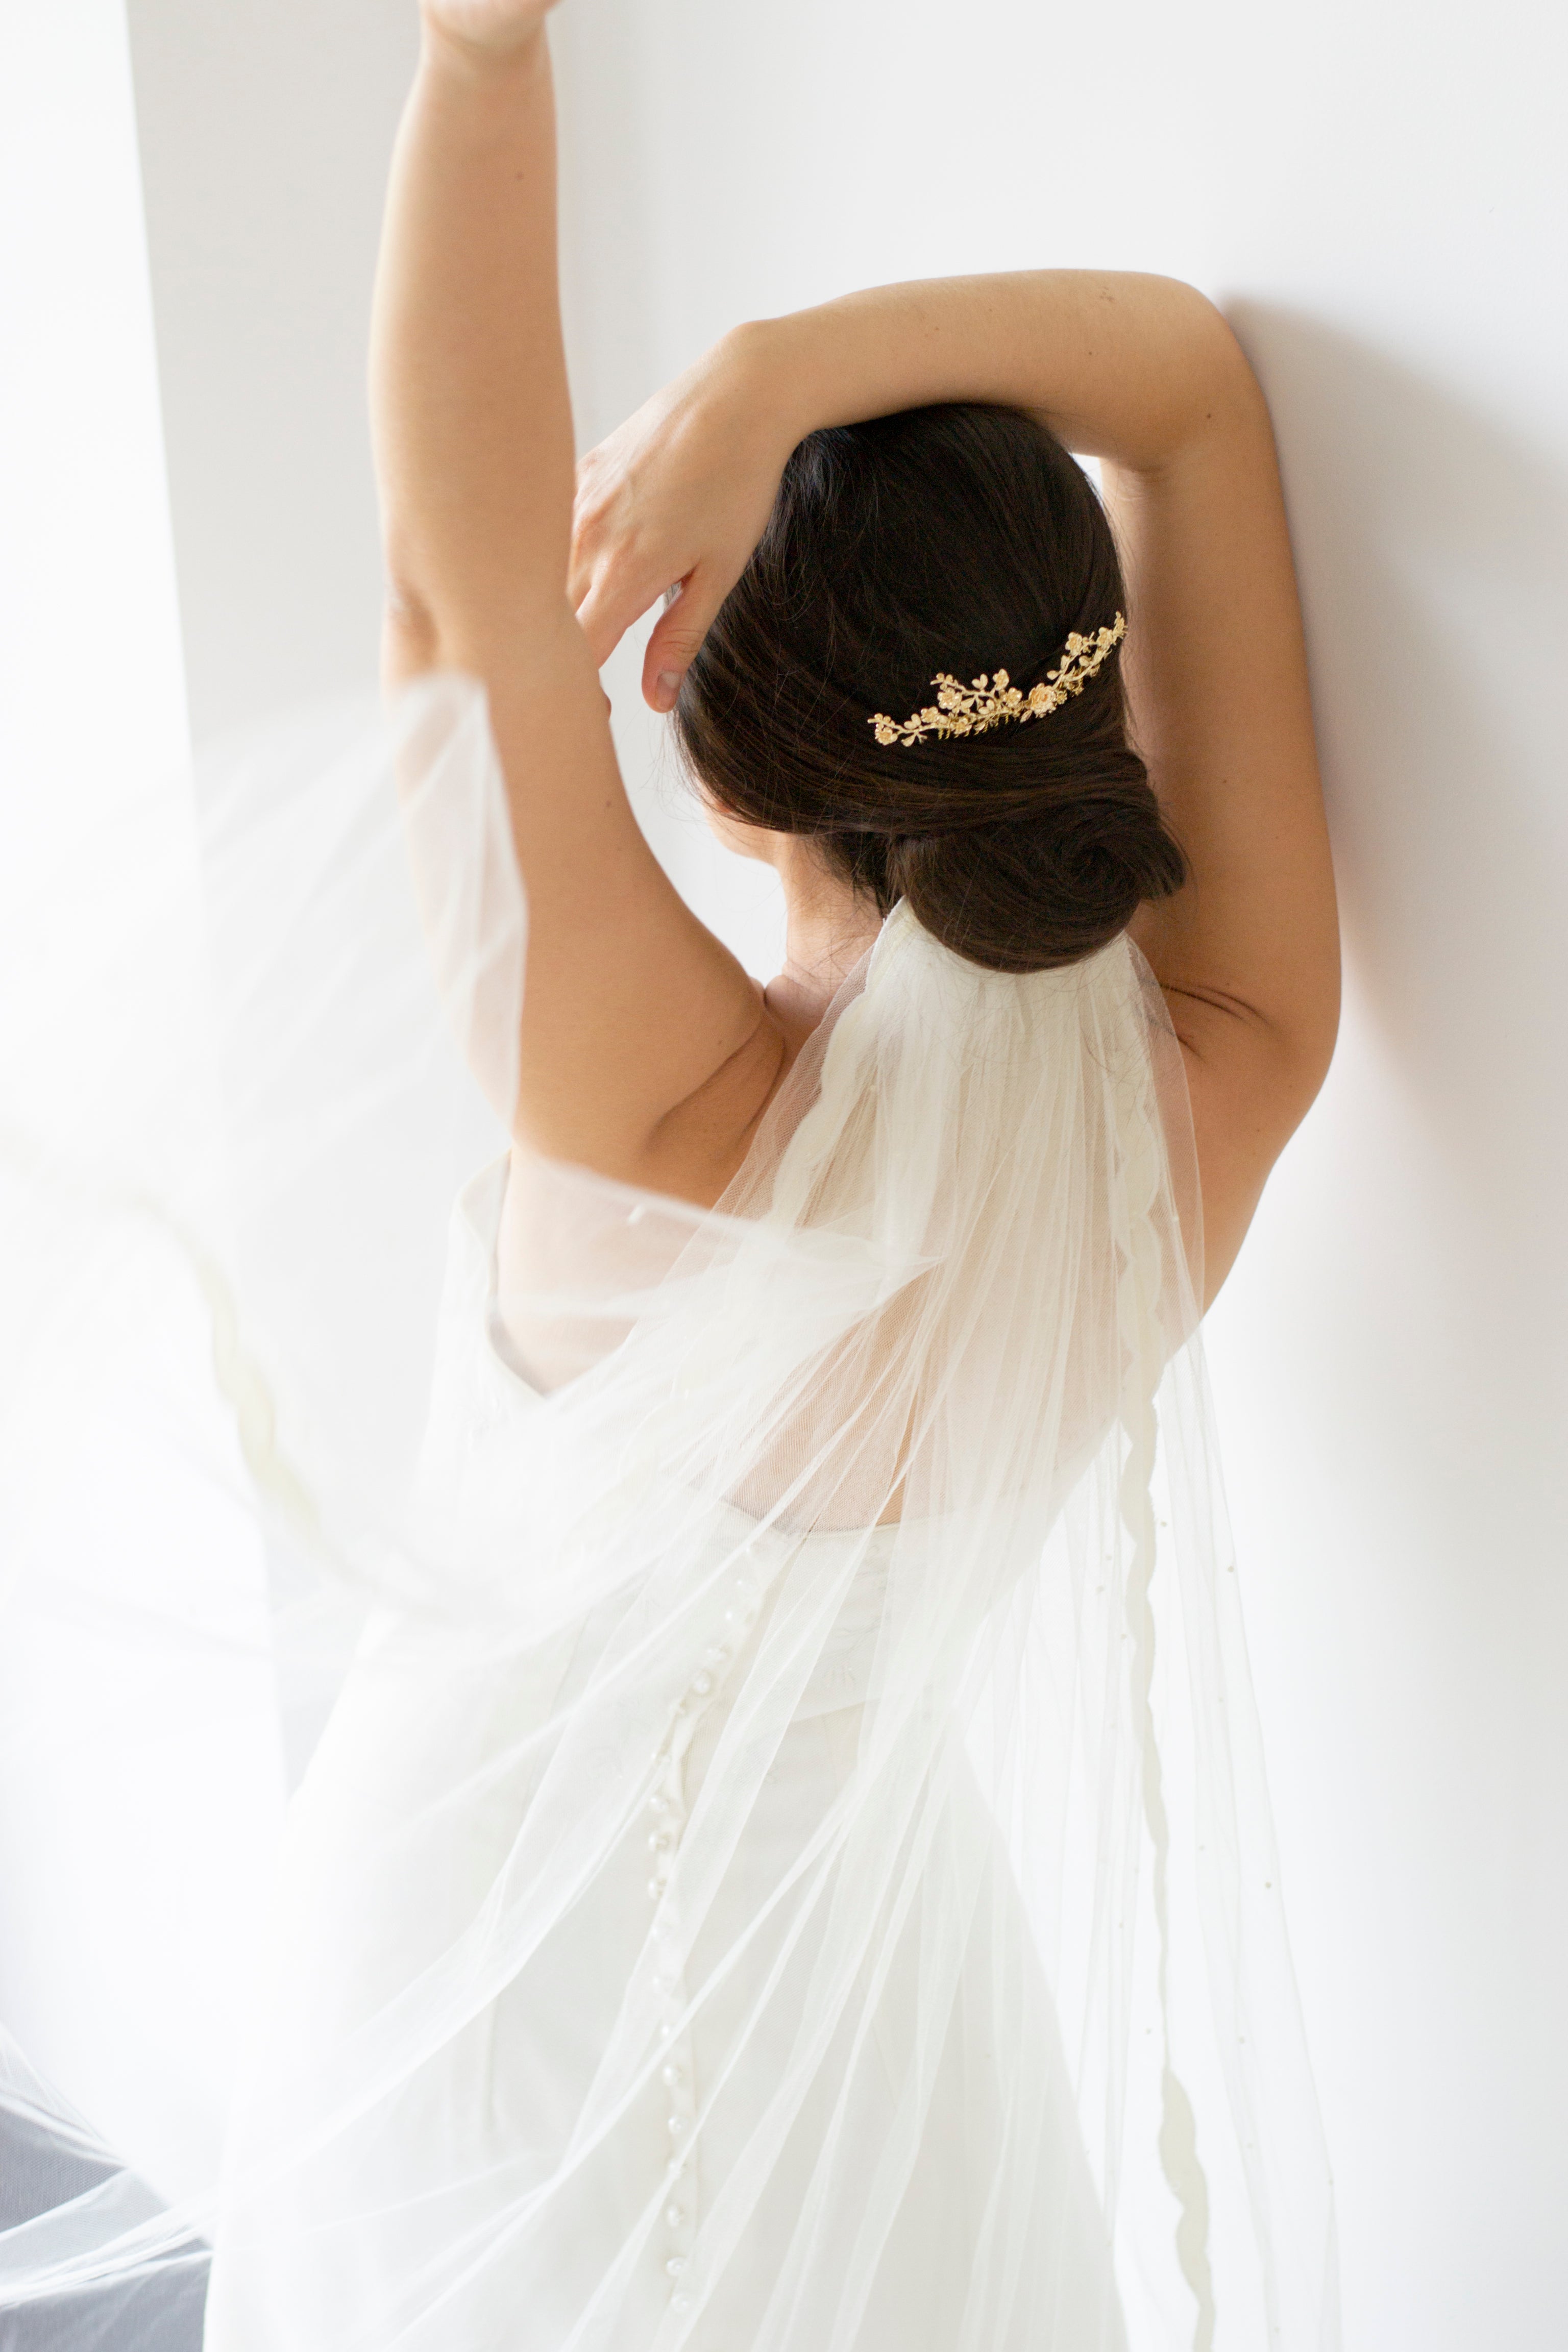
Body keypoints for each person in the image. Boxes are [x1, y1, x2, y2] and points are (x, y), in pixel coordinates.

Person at [156, 1, 1336, 2346]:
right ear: (1081, 710)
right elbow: (1191, 387)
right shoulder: (1209, 1096)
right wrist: (791, 375)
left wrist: (487, 60)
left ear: (719, 762)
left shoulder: (645, 1122)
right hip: (875, 2007)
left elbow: (441, 592)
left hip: (470, 1994)